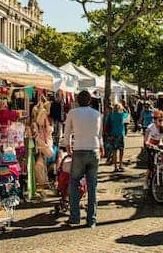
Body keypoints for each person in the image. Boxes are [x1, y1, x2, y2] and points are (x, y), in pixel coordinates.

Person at [63, 90, 104, 228]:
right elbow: (99, 134)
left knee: (74, 183)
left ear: (77, 100)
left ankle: (75, 217)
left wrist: (67, 146)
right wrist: (101, 147)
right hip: (94, 149)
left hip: (79, 149)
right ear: (90, 101)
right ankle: (91, 219)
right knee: (92, 185)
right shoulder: (97, 114)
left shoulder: (72, 113)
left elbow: (67, 131)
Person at [143, 109, 163, 190]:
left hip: (159, 144)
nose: (162, 122)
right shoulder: (150, 127)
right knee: (151, 165)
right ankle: (145, 181)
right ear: (155, 120)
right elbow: (146, 140)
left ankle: (161, 171)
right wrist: (148, 144)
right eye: (160, 120)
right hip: (151, 145)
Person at [104, 103, 128, 172]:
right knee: (121, 150)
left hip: (113, 135)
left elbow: (106, 125)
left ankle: (115, 167)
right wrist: (124, 109)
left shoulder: (110, 115)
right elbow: (128, 118)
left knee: (114, 151)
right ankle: (120, 165)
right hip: (120, 134)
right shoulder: (122, 115)